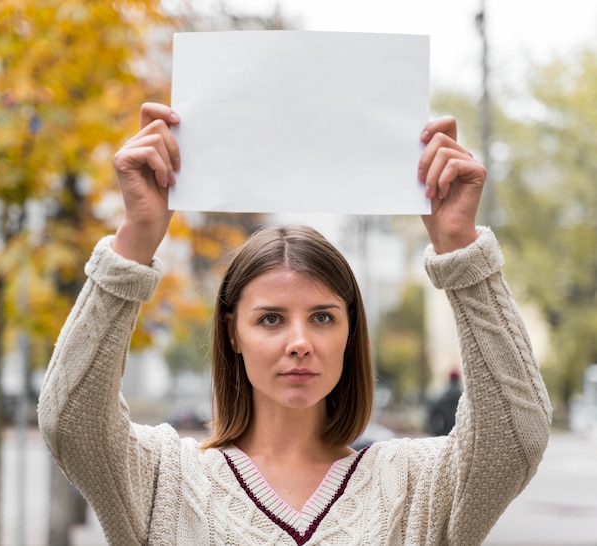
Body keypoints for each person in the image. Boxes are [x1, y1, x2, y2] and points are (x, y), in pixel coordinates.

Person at [38, 103, 552, 545]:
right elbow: (71, 419)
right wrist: (134, 240)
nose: (300, 342)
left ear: (351, 332)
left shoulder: (416, 486)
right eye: (270, 319)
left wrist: (460, 249)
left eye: (323, 317)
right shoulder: (163, 481)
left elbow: (515, 435)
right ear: (232, 332)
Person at [426, 370, 463, 436]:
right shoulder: (464, 395)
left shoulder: (442, 396)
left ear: (449, 378)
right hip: (460, 433)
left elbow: (432, 415)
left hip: (445, 433)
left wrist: (437, 432)